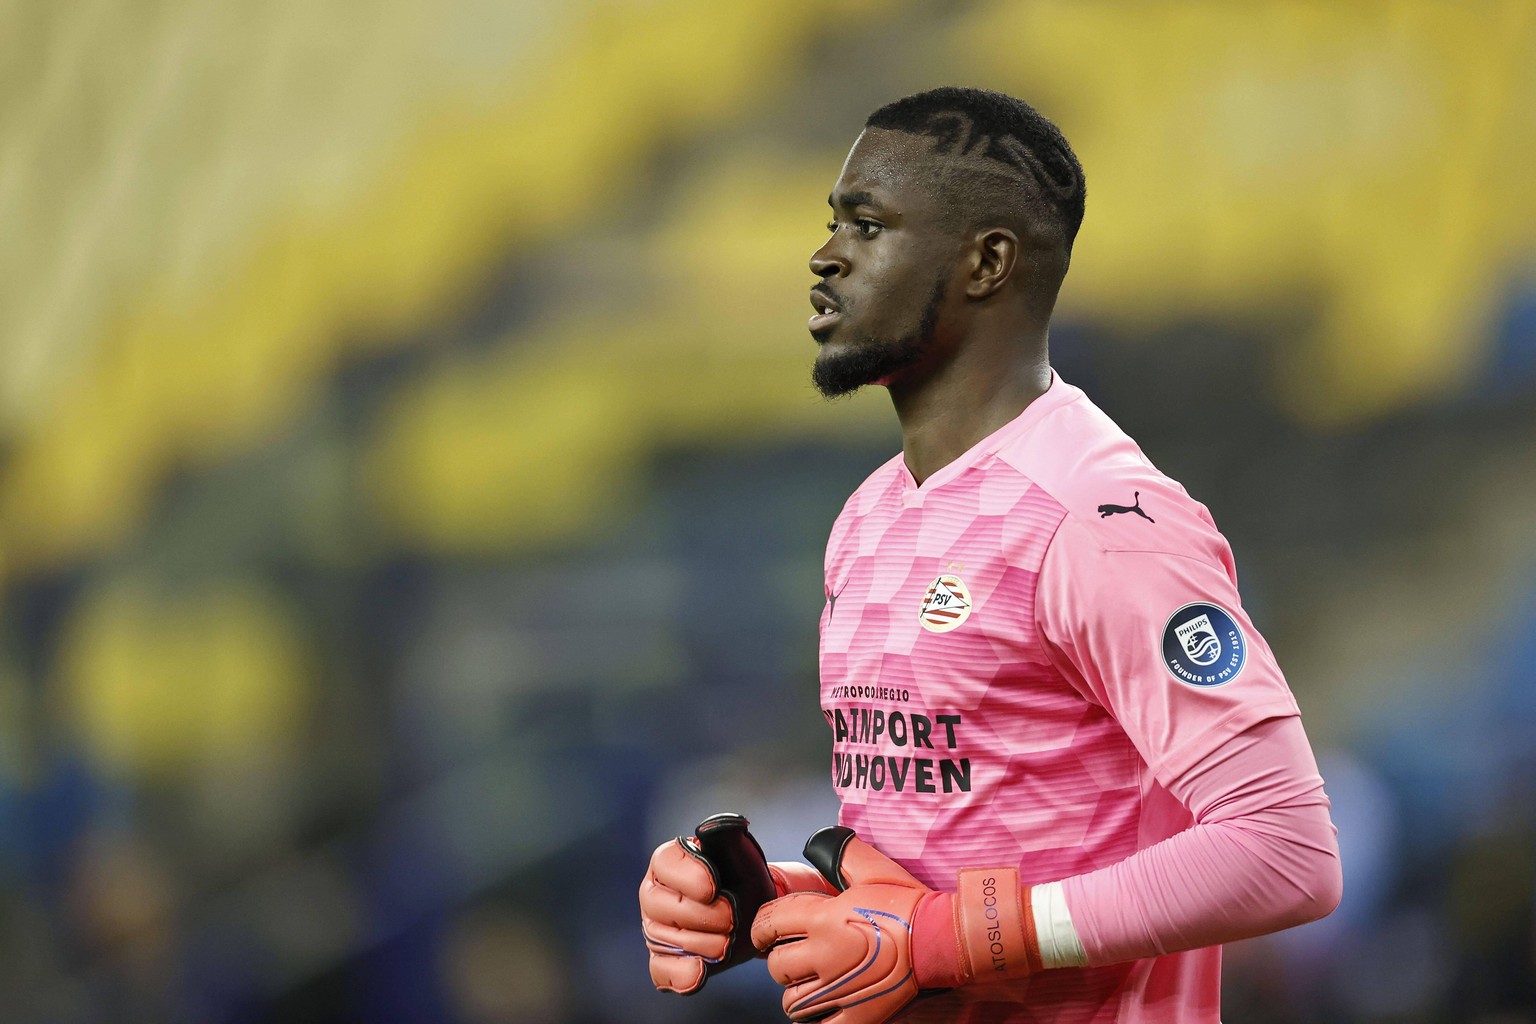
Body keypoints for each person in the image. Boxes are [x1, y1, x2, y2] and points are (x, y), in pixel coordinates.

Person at [639, 86, 1342, 1024]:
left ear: (987, 262)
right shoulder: (868, 517)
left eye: (869, 224)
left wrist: (941, 939)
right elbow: (925, 864)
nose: (824, 255)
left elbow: (1284, 849)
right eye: (831, 222)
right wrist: (764, 903)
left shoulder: (1100, 518)